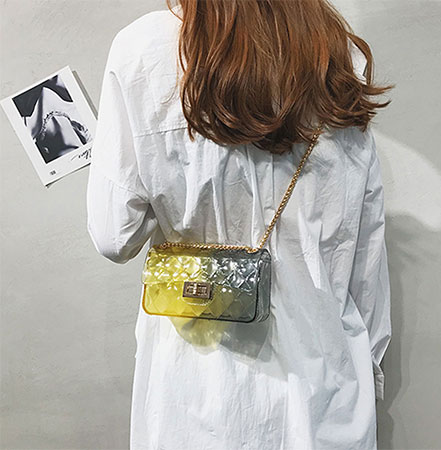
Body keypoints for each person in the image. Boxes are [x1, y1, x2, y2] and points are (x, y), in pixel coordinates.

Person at [86, 1, 394, 449]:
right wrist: (369, 370)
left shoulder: (142, 49)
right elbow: (365, 252)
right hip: (325, 394)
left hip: (198, 396)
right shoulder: (338, 55)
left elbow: (115, 235)